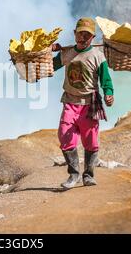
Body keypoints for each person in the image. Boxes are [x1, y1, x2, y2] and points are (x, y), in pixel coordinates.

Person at [52, 17, 114, 189]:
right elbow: (49, 67)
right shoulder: (66, 53)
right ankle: (73, 174)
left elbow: (106, 81)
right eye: (80, 33)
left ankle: (88, 174)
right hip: (70, 102)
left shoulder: (98, 56)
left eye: (87, 35)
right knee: (65, 135)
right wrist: (48, 51)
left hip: (89, 104)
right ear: (74, 34)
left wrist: (109, 94)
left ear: (92, 38)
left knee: (91, 141)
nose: (83, 37)